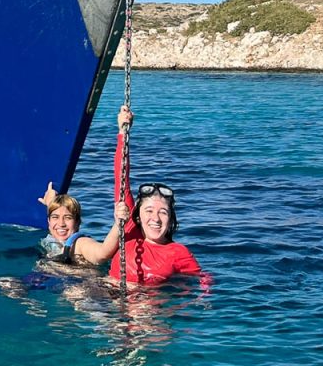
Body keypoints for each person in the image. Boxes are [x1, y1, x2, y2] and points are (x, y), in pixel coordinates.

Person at [110, 105, 203, 284]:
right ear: (137, 214)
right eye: (149, 210)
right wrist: (123, 132)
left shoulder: (178, 252)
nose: (156, 218)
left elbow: (202, 280)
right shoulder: (128, 229)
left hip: (146, 304)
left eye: (163, 212)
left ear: (171, 220)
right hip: (104, 296)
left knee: (143, 310)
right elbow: (121, 176)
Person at [38, 182, 128, 266]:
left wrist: (118, 224)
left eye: (68, 218)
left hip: (84, 282)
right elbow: (56, 211)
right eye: (55, 217)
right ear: (49, 222)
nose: (61, 224)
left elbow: (102, 253)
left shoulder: (80, 244)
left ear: (77, 223)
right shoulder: (54, 241)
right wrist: (50, 202)